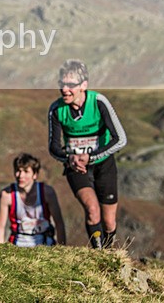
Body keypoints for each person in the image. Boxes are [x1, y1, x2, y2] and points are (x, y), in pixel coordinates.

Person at [48, 59, 127, 249]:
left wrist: (92, 157)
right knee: (92, 210)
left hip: (104, 165)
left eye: (70, 85)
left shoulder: (99, 102)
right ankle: (98, 255)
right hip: (76, 167)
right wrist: (70, 158)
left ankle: (109, 253)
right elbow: (53, 147)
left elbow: (120, 139)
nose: (65, 89)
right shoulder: (57, 109)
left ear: (84, 85)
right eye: (62, 84)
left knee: (109, 221)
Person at [0, 153, 66, 247]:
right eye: (18, 171)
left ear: (35, 175)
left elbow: (59, 223)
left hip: (45, 243)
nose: (20, 175)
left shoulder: (47, 193)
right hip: (17, 244)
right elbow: (0, 227)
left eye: (26, 171)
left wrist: (61, 249)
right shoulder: (7, 195)